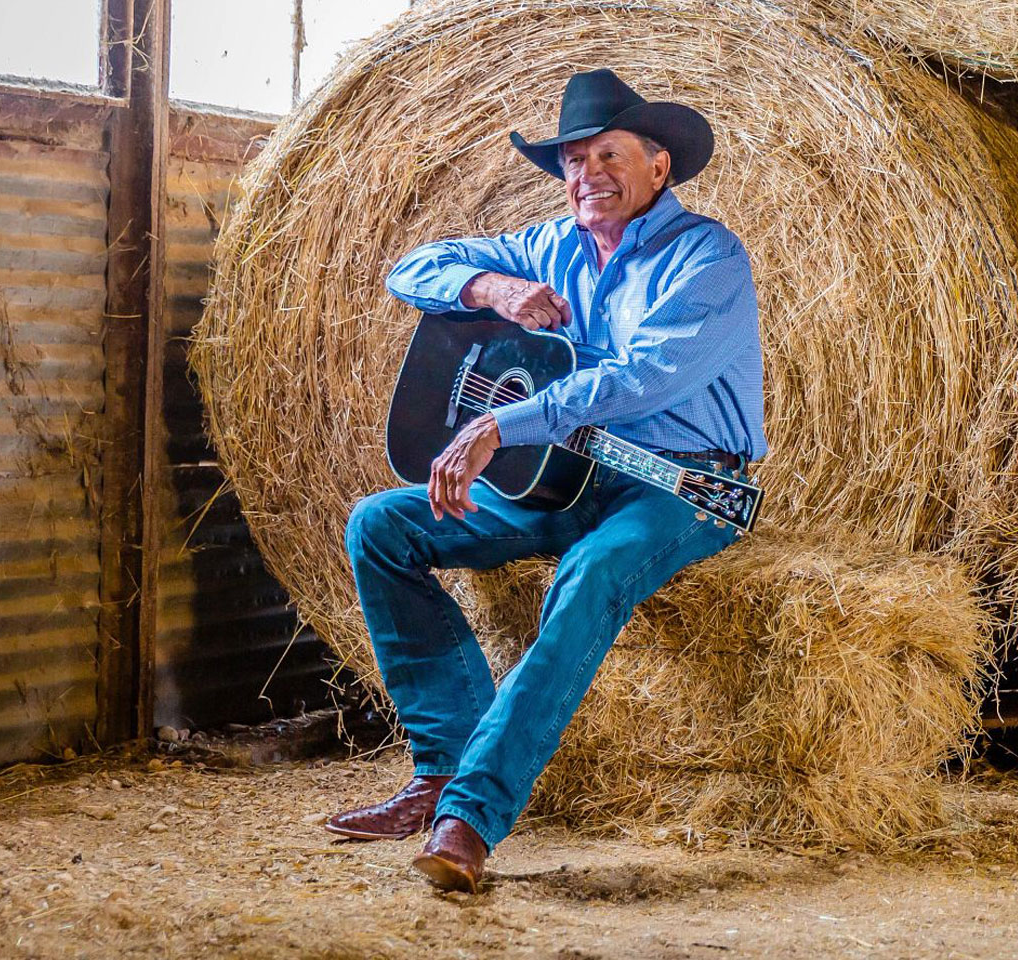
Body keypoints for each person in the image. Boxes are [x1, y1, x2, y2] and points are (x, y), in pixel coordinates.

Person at [320, 68, 766, 893]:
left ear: (659, 168)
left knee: (591, 571)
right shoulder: (548, 246)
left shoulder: (708, 257)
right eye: (572, 159)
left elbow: (644, 378)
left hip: (680, 486)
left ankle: (469, 819)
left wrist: (501, 424)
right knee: (382, 526)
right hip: (560, 482)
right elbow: (412, 268)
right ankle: (441, 771)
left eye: (608, 154)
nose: (587, 174)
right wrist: (493, 287)